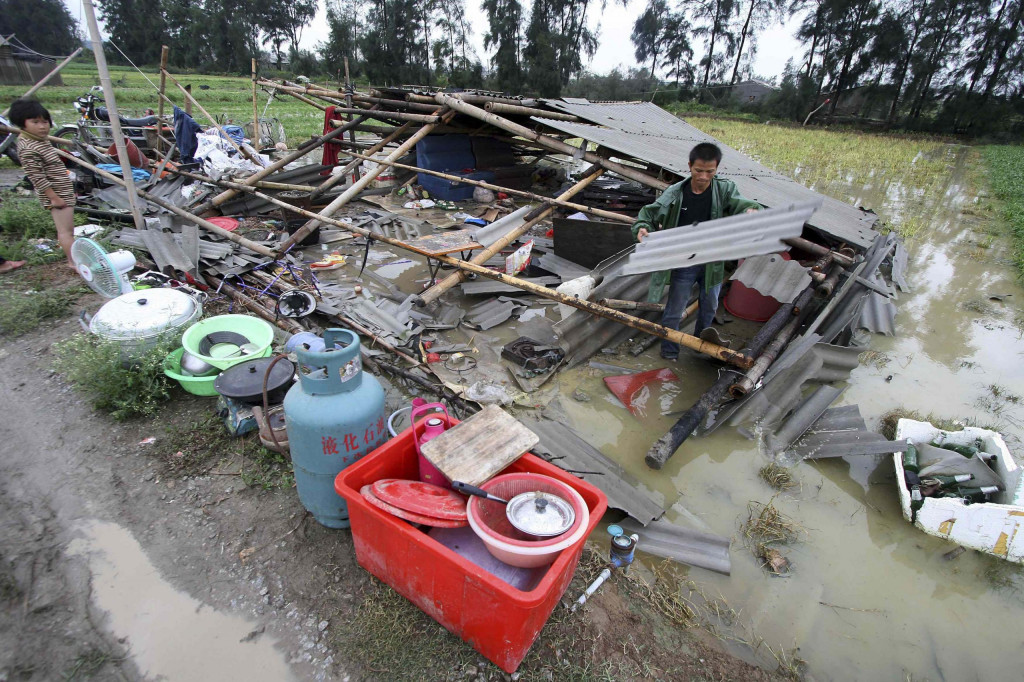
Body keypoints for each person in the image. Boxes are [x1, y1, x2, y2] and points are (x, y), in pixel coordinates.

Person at [631, 142, 761, 360]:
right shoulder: (675, 193)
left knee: (709, 307)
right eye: (698, 171)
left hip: (713, 261)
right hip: (684, 260)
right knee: (674, 309)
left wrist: (752, 211)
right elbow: (648, 214)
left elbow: (743, 204)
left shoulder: (724, 189)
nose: (703, 176)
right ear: (690, 166)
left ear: (716, 169)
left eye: (709, 171)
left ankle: (700, 347)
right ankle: (669, 352)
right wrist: (642, 228)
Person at [9, 98, 76, 269]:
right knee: (66, 232)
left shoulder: (39, 140)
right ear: (22, 124)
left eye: (45, 121)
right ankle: (73, 262)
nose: (42, 126)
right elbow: (36, 177)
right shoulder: (28, 147)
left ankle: (73, 259)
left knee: (68, 230)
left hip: (62, 191)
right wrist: (54, 197)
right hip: (56, 195)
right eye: (35, 122)